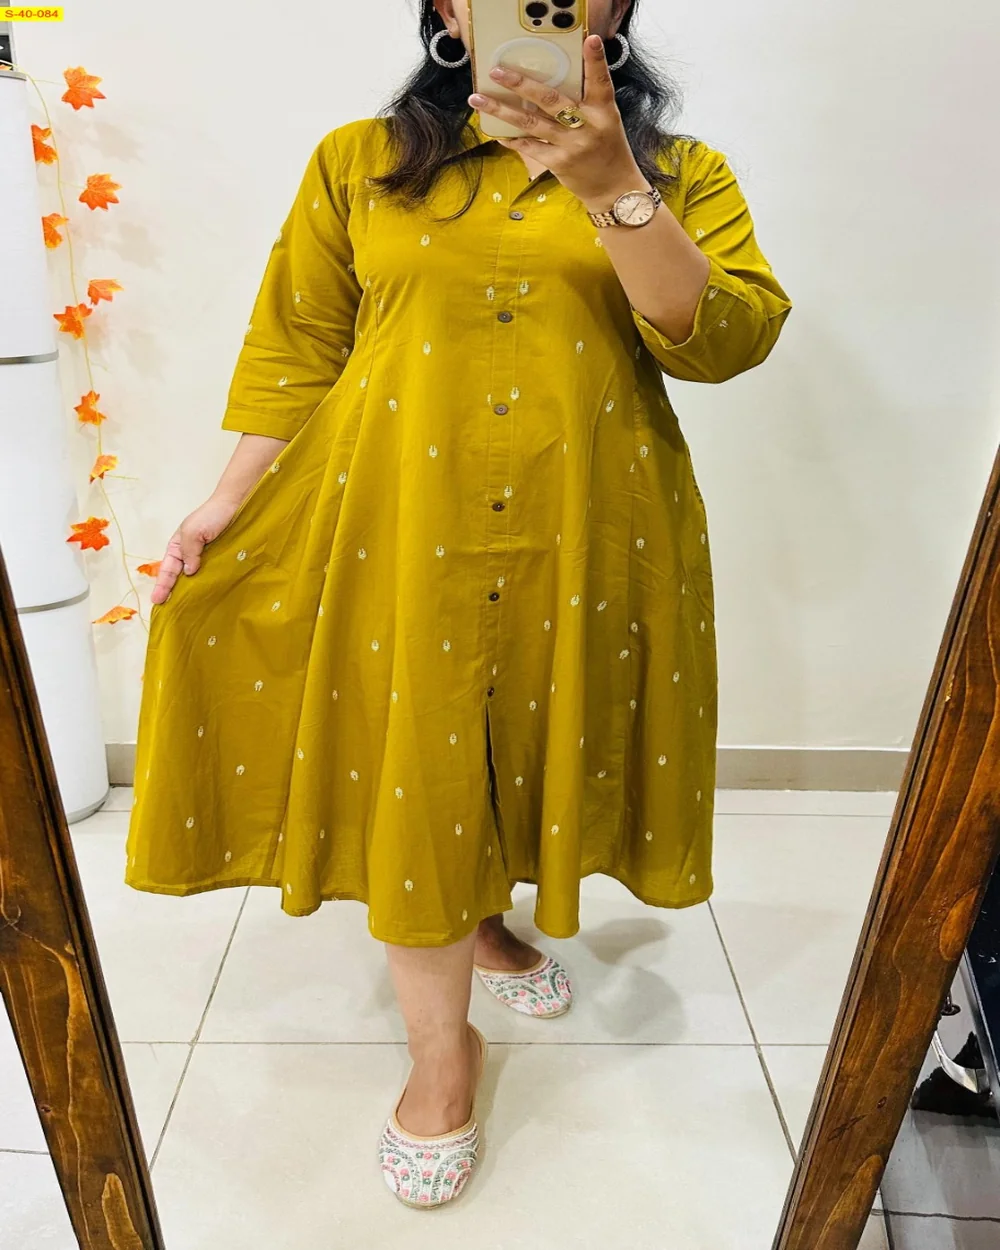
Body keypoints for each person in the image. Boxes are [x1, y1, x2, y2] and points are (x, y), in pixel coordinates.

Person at [125, 0, 792, 1209]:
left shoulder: (680, 171)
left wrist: (613, 187)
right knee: (421, 768)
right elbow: (297, 346)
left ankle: (486, 917)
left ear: (613, 9)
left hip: (588, 520)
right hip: (398, 519)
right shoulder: (359, 163)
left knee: (531, 735)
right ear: (445, 8)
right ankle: (443, 1051)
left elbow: (724, 340)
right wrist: (223, 502)